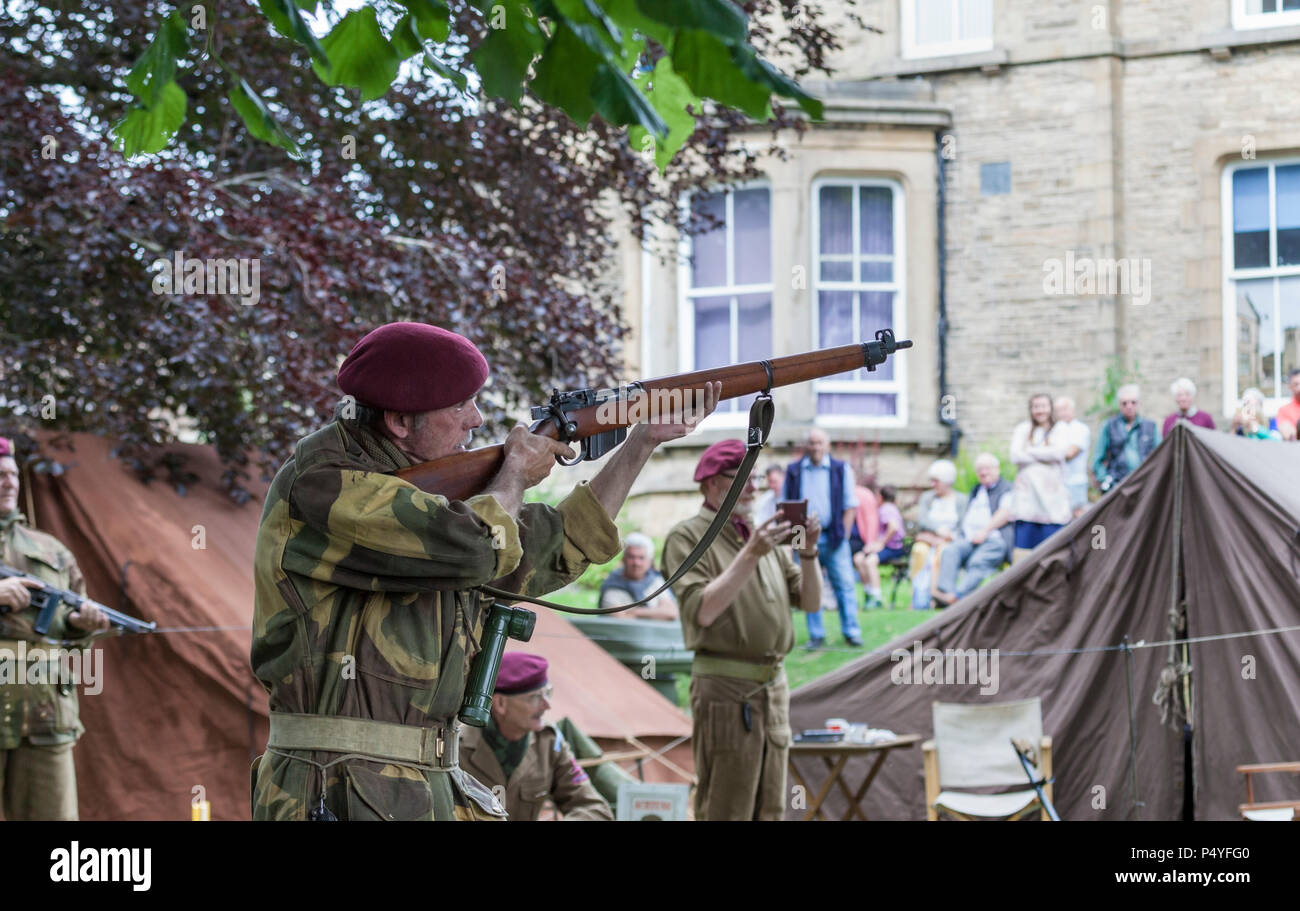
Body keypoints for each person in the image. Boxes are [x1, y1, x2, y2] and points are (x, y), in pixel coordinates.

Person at [250, 322, 719, 821]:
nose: (476, 419)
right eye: (458, 406)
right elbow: (479, 547)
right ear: (400, 422)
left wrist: (642, 442)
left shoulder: (434, 498)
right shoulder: (324, 485)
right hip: (335, 790)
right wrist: (513, 474)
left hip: (421, 788)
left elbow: (556, 546)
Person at [662, 439, 823, 821]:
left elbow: (812, 603)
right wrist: (751, 553)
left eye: (757, 480)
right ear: (712, 484)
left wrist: (809, 552)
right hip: (726, 691)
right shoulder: (687, 537)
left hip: (773, 690)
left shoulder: (757, 534)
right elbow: (702, 611)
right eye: (743, 479)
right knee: (726, 807)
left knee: (770, 807)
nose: (754, 488)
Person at [0, 436, 109, 821]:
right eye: (0, 474)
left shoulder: (52, 551)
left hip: (44, 712)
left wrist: (80, 627)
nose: (9, 482)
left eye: (12, 474)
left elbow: (72, 640)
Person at [459, 652, 612, 821]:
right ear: (500, 703)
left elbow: (595, 808)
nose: (547, 705)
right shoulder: (455, 746)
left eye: (548, 693)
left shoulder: (548, 742)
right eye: (535, 698)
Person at [782, 429, 861, 648]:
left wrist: (843, 536)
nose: (816, 447)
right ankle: (816, 635)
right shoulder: (793, 471)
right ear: (806, 446)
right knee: (809, 586)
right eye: (812, 443)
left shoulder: (840, 469)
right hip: (803, 538)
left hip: (834, 536)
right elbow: (786, 505)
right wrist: (793, 542)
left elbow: (850, 506)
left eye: (820, 443)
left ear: (827, 446)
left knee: (844, 585)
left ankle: (851, 631)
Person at [932, 454, 1014, 605]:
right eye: (980, 470)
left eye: (987, 469)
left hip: (994, 540)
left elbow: (1005, 513)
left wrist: (984, 531)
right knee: (950, 551)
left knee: (978, 562)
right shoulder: (977, 490)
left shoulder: (1007, 488)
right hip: (969, 539)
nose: (983, 473)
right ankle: (946, 593)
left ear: (997, 469)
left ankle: (958, 597)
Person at [1010, 393, 1072, 561]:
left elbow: (1059, 452)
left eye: (1043, 406)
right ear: (1031, 409)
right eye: (1036, 406)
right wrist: (1045, 455)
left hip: (1052, 501)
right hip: (1027, 500)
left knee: (1052, 549)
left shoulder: (1061, 429)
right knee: (1025, 553)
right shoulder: (1022, 429)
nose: (1040, 410)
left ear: (1050, 408)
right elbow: (1015, 455)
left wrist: (1029, 451)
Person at [910, 459, 961, 606]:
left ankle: (937, 595)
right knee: (919, 551)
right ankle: (918, 596)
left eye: (936, 481)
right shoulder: (928, 498)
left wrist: (949, 537)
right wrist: (937, 532)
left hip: (950, 541)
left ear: (947, 481)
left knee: (943, 553)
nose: (932, 485)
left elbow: (963, 524)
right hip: (929, 539)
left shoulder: (961, 500)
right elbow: (923, 520)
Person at [1091, 384, 1160, 492]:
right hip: (1118, 486)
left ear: (1138, 404)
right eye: (1124, 403)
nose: (1129, 406)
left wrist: (1154, 479)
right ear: (1119, 405)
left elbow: (1160, 456)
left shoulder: (1150, 426)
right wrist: (1105, 479)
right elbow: (1097, 459)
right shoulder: (1109, 426)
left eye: (1133, 402)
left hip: (1145, 485)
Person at [598, 533, 678, 620]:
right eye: (631, 557)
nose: (636, 563)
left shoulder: (656, 581)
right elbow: (620, 620)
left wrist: (635, 612)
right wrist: (656, 612)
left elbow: (671, 613)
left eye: (641, 558)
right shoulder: (612, 586)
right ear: (623, 559)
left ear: (650, 561)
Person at [854, 485, 905, 608]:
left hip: (893, 548)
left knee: (870, 561)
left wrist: (881, 544)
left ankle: (877, 597)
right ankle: (869, 593)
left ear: (880, 497)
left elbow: (893, 527)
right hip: (888, 547)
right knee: (858, 558)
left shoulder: (886, 509)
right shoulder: (890, 508)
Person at [1053, 396, 1091, 516]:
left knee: (1077, 515)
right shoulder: (1054, 429)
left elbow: (1071, 453)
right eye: (1058, 410)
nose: (1062, 413)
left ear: (1073, 410)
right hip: (1057, 482)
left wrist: (1049, 454)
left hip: (1075, 481)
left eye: (1065, 409)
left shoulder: (1081, 429)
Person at [1278, 369, 1300, 441]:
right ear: (1290, 387)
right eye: (1296, 384)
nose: (1299, 388)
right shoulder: (1284, 410)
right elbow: (1288, 435)